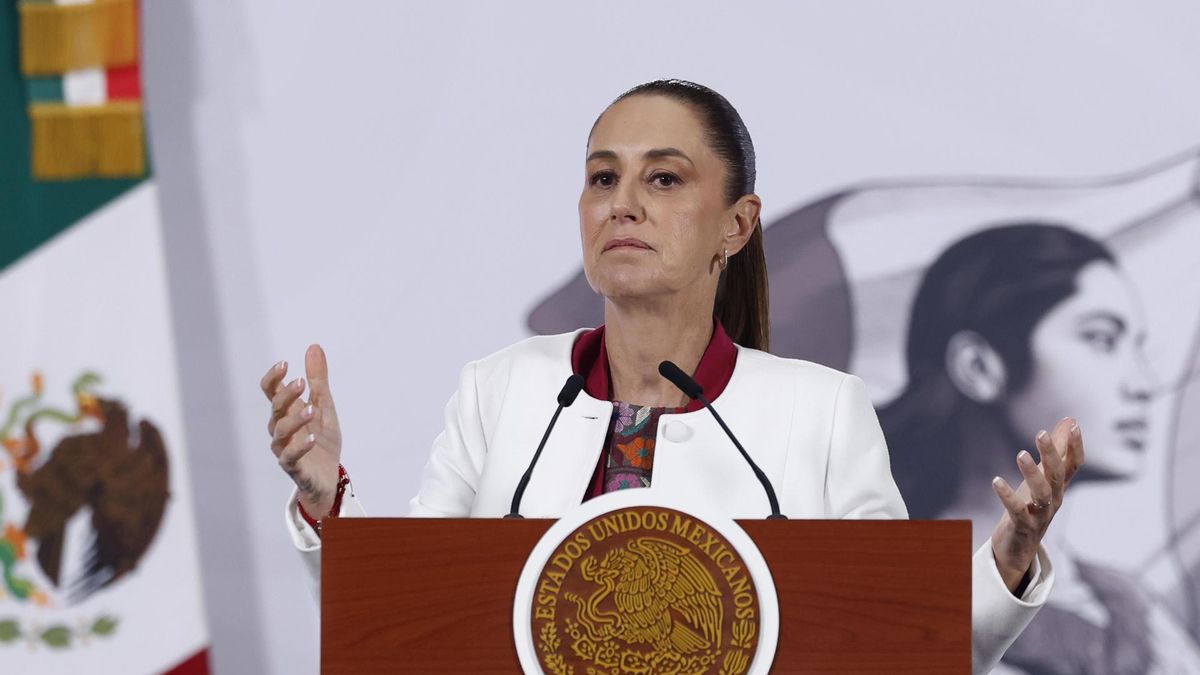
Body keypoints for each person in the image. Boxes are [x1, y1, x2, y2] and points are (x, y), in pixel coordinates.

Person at [259, 80, 1080, 674]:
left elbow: (904, 640)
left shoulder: (821, 411)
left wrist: (1007, 557)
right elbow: (404, 622)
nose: (623, 203)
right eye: (602, 177)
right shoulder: (501, 390)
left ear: (737, 222)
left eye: (663, 178)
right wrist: (327, 495)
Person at [879, 223, 1200, 674]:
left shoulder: (1136, 613)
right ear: (979, 367)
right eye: (1102, 339)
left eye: (1137, 347)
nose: (1145, 384)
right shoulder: (879, 586)